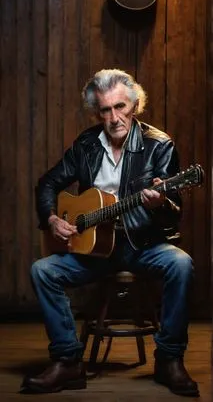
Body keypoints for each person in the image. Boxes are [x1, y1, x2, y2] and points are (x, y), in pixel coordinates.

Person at [21, 68, 199, 397]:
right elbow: (47, 183)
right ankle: (68, 360)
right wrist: (50, 219)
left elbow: (173, 216)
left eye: (121, 107)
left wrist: (160, 202)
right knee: (42, 270)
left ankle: (169, 359)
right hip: (95, 251)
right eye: (106, 109)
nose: (114, 117)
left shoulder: (159, 146)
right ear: (97, 111)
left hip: (142, 244)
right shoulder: (87, 144)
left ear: (135, 106)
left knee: (181, 264)